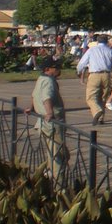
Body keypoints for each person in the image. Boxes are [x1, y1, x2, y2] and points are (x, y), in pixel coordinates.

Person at [31, 56, 67, 184]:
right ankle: (58, 186)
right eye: (56, 67)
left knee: (55, 152)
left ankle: (50, 176)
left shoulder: (42, 79)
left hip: (45, 123)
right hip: (53, 124)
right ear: (47, 69)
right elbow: (46, 97)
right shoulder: (49, 81)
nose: (59, 69)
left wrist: (31, 108)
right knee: (58, 155)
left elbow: (35, 95)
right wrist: (49, 112)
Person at [76, 34, 112, 125]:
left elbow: (82, 62)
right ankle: (101, 118)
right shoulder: (110, 51)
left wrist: (78, 71)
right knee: (103, 97)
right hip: (107, 75)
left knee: (91, 97)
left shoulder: (92, 50)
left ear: (97, 41)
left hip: (95, 75)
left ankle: (97, 111)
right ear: (107, 41)